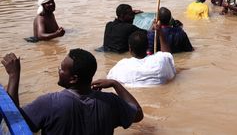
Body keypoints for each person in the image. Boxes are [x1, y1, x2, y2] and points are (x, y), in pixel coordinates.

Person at [1, 49, 143, 135]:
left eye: (62, 69)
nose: (58, 70)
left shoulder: (49, 103)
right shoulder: (111, 101)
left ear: (73, 79)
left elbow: (14, 124)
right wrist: (115, 84)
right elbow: (137, 114)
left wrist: (14, 76)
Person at [107, 27, 176, 87]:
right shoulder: (160, 60)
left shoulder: (121, 66)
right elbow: (168, 55)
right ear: (148, 47)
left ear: (130, 49)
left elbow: (109, 78)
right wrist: (160, 32)